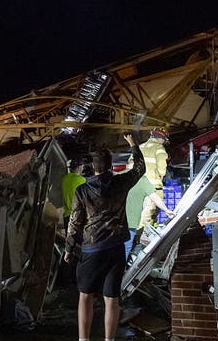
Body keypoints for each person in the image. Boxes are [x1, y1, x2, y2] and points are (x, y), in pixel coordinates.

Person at [64, 133, 145, 341]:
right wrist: (133, 144)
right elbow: (139, 168)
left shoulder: (82, 190)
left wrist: (69, 248)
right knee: (112, 299)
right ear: (110, 166)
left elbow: (75, 222)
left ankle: (84, 339)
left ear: (93, 166)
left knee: (85, 296)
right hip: (116, 247)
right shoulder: (121, 183)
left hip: (91, 250)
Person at [124, 176, 176, 261]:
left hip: (115, 221)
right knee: (125, 250)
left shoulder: (119, 176)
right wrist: (166, 210)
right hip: (131, 222)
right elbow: (155, 197)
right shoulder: (142, 180)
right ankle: (121, 272)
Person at [62, 158, 86, 235]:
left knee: (69, 241)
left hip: (66, 216)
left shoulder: (64, 179)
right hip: (77, 216)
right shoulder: (82, 180)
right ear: (79, 167)